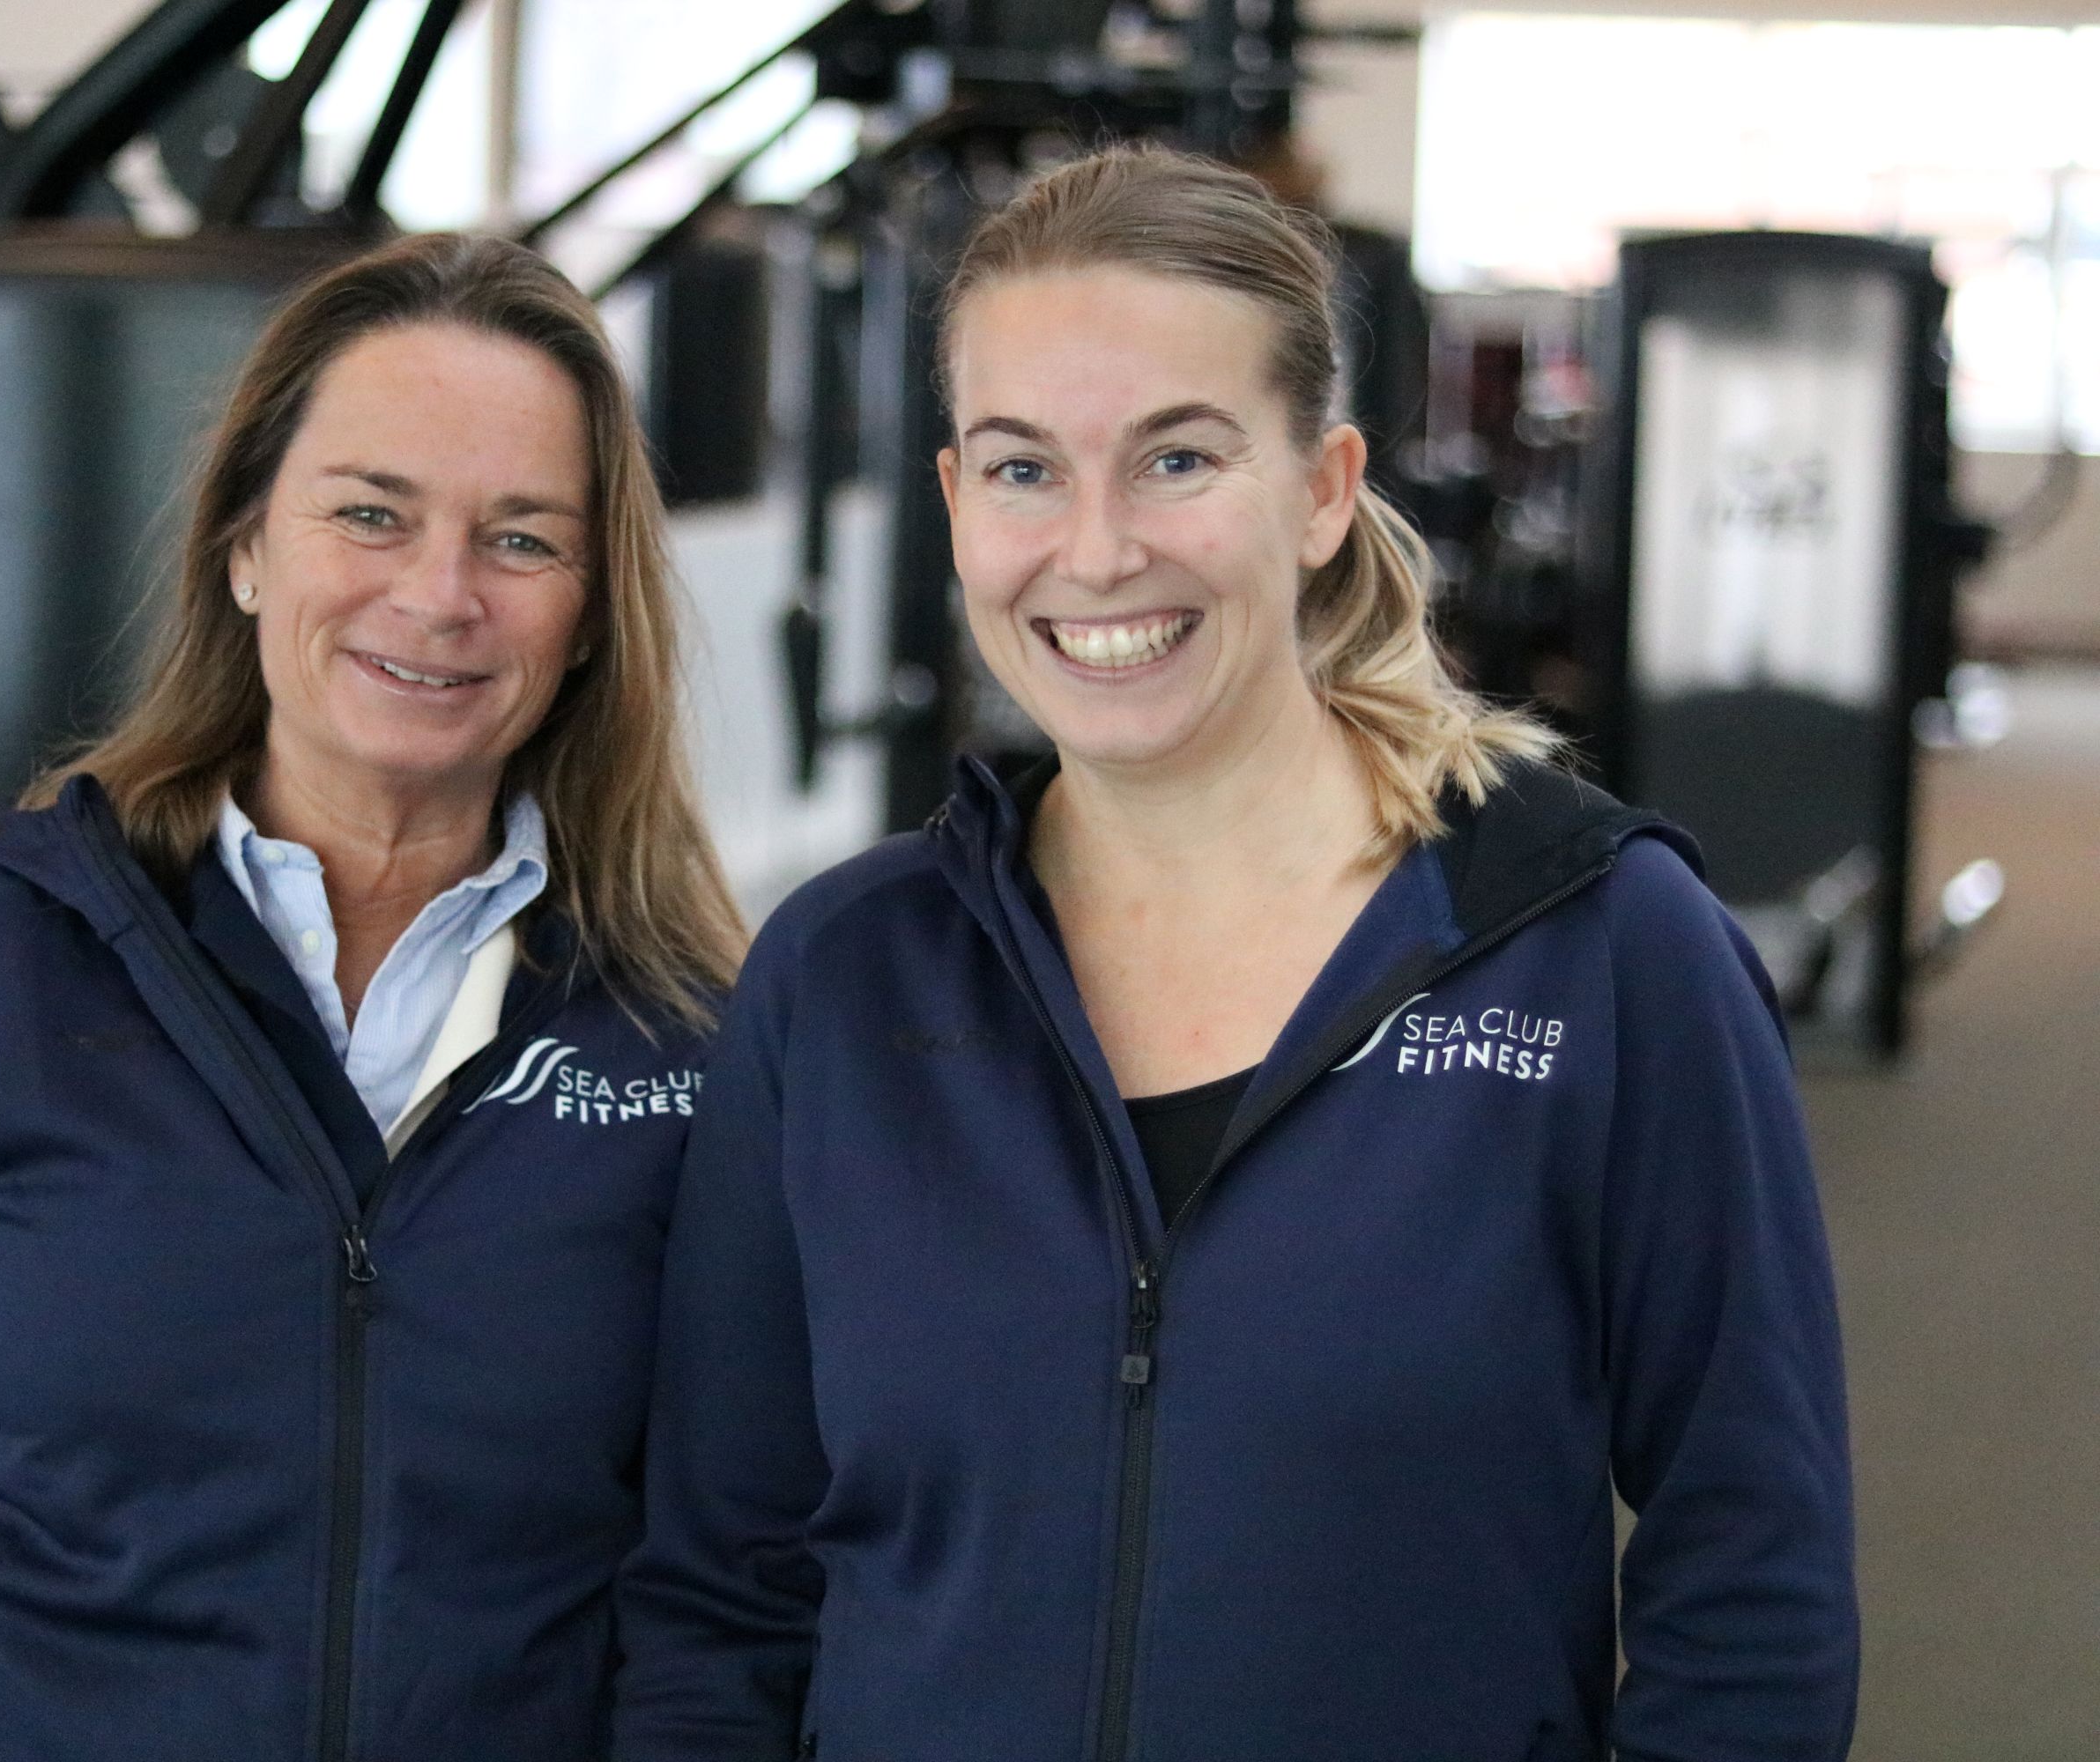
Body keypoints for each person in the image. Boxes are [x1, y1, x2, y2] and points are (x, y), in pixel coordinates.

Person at [613, 145, 1856, 1761]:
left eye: (1178, 459)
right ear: (957, 501)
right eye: (1024, 468)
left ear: (1324, 489)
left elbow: (1754, 1584)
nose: (1097, 550)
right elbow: (723, 1590)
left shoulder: (1600, 953)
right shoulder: (844, 977)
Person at [0, 232, 744, 1760]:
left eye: (521, 539)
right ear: (244, 549)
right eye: (369, 514)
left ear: (589, 614)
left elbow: (726, 1582)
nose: (438, 595)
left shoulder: (692, 1034)